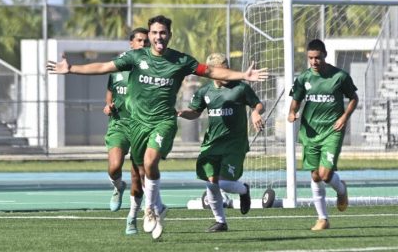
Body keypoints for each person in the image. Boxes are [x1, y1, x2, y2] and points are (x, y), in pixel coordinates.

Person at [47, 15, 269, 239]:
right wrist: (71, 68)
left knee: (150, 161)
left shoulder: (180, 60)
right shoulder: (135, 57)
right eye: (154, 33)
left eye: (163, 32)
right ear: (150, 35)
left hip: (163, 122)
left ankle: (149, 210)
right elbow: (104, 66)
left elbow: (211, 72)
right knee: (142, 169)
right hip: (137, 124)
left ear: (170, 35)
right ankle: (156, 208)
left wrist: (243, 75)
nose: (158, 37)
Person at [178, 53, 264, 232]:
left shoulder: (240, 88)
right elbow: (194, 112)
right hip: (212, 144)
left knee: (223, 183)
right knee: (211, 183)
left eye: (227, 69)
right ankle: (220, 221)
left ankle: (243, 190)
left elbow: (257, 104)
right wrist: (180, 113)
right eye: (222, 70)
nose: (226, 74)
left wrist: (256, 112)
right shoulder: (204, 92)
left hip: (235, 144)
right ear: (213, 72)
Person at [287, 39, 358, 231]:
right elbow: (295, 103)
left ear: (324, 55)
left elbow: (353, 98)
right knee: (315, 176)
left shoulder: (340, 77)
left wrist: (344, 117)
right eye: (310, 58)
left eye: (317, 57)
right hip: (310, 133)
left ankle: (341, 189)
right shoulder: (303, 79)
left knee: (325, 174)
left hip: (332, 131)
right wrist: (292, 113)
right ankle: (323, 219)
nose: (313, 62)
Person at [102, 27, 149, 235]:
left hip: (142, 125)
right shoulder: (117, 67)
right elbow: (110, 92)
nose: (143, 44)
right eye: (139, 40)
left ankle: (132, 217)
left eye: (146, 41)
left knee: (139, 176)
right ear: (131, 43)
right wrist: (108, 105)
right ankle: (118, 186)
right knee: (114, 167)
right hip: (119, 124)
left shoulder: (152, 70)